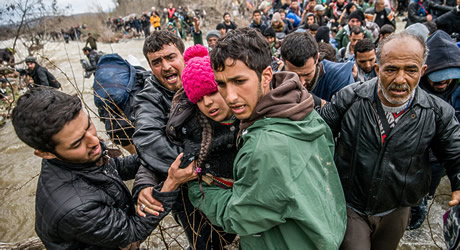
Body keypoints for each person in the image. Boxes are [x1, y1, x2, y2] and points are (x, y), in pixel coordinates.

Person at [185, 27, 346, 249]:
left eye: (240, 81)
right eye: (221, 84)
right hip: (322, 232)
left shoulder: (262, 147)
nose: (230, 96)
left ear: (266, 75)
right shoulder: (302, 107)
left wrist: (199, 191)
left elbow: (241, 217)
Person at [319, 31, 460, 249]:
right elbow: (316, 133)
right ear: (378, 69)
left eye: (411, 70)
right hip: (350, 204)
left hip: (397, 207)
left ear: (422, 71)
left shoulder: (438, 112)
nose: (400, 79)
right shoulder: (350, 99)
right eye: (391, 69)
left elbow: (455, 151)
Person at [11, 87, 196, 249]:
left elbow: (116, 166)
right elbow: (134, 230)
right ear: (45, 153)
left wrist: (157, 150)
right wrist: (171, 183)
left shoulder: (68, 157)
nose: (94, 141)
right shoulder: (76, 209)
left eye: (88, 125)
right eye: (77, 143)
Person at [132, 31, 229, 249]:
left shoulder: (208, 73)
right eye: (156, 62)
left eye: (170, 57)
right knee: (205, 241)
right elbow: (148, 142)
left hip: (231, 175)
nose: (165, 67)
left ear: (183, 56)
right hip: (188, 190)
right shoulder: (149, 99)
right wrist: (144, 181)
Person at [409, 30, 460, 229]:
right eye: (437, 78)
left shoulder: (457, 90)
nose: (442, 82)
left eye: (447, 78)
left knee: (428, 196)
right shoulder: (415, 89)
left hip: (441, 156)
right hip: (416, 153)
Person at [281, 32, 355, 102]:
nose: (301, 83)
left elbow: (345, 113)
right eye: (294, 75)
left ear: (317, 58)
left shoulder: (339, 77)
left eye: (307, 74)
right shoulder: (275, 79)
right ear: (283, 62)